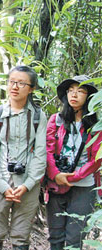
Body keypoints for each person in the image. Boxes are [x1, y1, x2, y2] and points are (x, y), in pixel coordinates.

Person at [0, 66, 47, 250]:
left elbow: (40, 152)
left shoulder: (37, 115)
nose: (15, 87)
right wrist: (2, 186)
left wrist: (28, 184)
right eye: (12, 82)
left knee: (21, 235)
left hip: (28, 181)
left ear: (31, 88)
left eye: (21, 83)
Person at [45, 75, 101, 250]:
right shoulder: (56, 120)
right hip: (57, 184)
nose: (74, 95)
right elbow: (47, 150)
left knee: (75, 237)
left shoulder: (96, 126)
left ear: (89, 97)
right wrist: (55, 174)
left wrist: (75, 176)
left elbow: (97, 158)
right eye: (70, 91)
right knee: (55, 235)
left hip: (84, 186)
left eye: (80, 91)